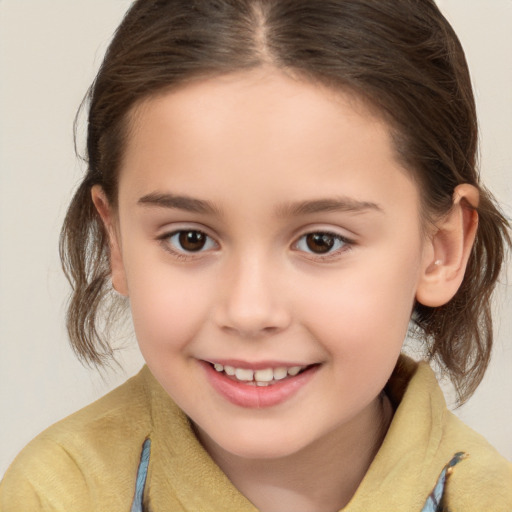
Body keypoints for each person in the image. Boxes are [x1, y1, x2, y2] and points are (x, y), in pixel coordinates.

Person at [1, 0, 511, 510]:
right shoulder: (53, 495)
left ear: (440, 250)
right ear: (115, 239)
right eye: (190, 239)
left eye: (321, 241)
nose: (248, 311)